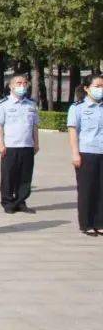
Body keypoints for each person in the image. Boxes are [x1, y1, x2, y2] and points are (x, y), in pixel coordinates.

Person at [0, 74, 39, 214]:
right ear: (11, 86)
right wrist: (1, 144)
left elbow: (35, 125)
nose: (22, 86)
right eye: (18, 83)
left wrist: (36, 142)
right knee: (8, 175)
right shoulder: (3, 104)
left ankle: (21, 202)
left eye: (25, 83)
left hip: (27, 145)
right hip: (11, 145)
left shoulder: (31, 104)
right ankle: (8, 202)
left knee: (25, 176)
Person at [68, 76, 103, 236]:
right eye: (97, 86)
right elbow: (73, 131)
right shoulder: (78, 108)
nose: (100, 89)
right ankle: (86, 223)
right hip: (86, 152)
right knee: (87, 189)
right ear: (87, 88)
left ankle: (99, 222)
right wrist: (75, 154)